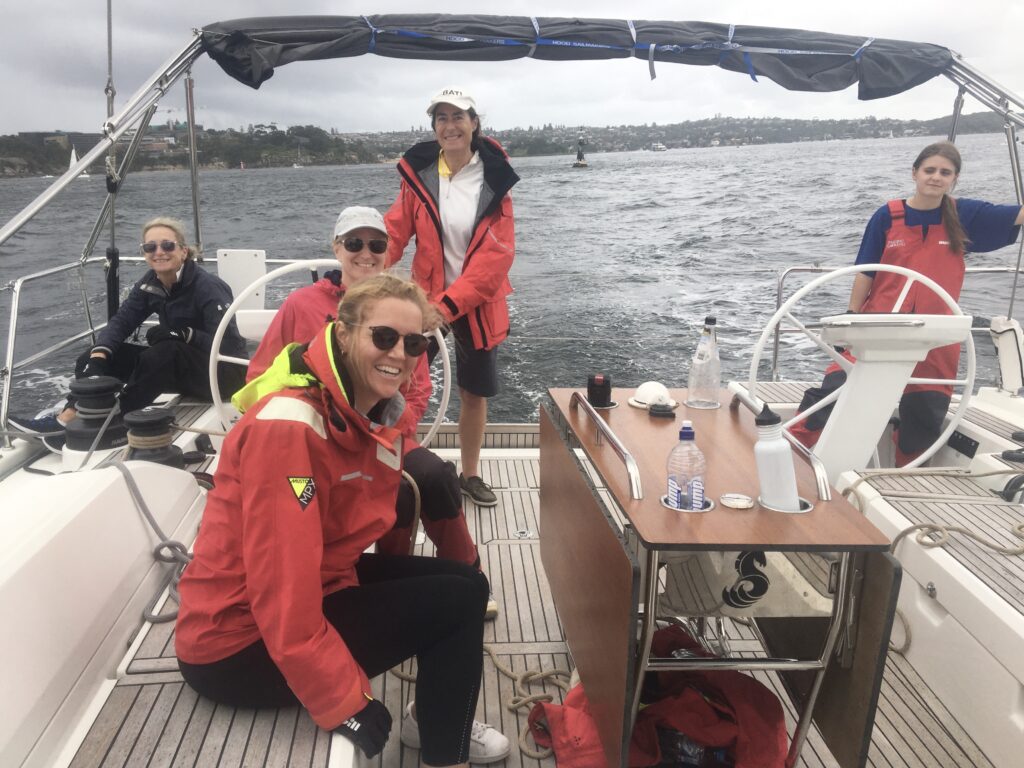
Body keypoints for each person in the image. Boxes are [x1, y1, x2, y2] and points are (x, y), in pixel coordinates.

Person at [175, 275, 511, 765]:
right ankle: (446, 756)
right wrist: (342, 702)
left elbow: (362, 520)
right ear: (346, 332)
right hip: (235, 643)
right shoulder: (289, 429)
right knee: (457, 602)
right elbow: (280, 586)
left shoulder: (365, 414)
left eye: (412, 342)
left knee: (465, 584)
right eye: (383, 336)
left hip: (317, 587)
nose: (398, 353)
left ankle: (430, 724)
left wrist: (404, 613)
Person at [248, 206, 489, 613]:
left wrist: (391, 431)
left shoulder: (401, 309)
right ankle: (347, 581)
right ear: (336, 249)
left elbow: (418, 388)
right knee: (349, 492)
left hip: (382, 433)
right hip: (312, 438)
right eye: (354, 243)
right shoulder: (299, 305)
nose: (366, 253)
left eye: (377, 244)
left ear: (388, 252)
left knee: (433, 478)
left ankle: (463, 574)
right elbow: (261, 376)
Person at [790, 141, 1024, 464]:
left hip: (936, 336)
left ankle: (904, 476)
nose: (936, 177)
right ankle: (788, 451)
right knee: (835, 391)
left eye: (945, 172)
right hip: (878, 327)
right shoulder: (887, 216)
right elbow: (865, 272)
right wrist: (851, 319)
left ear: (954, 179)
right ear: (914, 173)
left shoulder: (965, 215)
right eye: (929, 170)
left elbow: (1017, 216)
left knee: (925, 414)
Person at [385, 86, 519, 508]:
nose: (450, 125)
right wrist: (364, 263)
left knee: (472, 392)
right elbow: (394, 230)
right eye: (441, 118)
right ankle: (393, 461)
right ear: (434, 128)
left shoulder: (495, 180)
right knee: (397, 380)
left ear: (474, 123)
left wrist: (446, 307)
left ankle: (471, 473)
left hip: (474, 305)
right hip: (425, 299)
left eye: (458, 116)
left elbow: (496, 258)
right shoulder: (420, 177)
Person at [8, 216, 246, 435]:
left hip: (223, 377)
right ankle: (68, 416)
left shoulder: (208, 287)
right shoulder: (150, 284)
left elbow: (229, 349)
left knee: (165, 352)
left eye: (167, 246)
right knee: (92, 357)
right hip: (179, 371)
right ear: (144, 253)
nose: (159, 252)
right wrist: (98, 356)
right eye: (150, 247)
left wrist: (185, 334)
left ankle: (114, 419)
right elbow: (122, 322)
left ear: (183, 252)